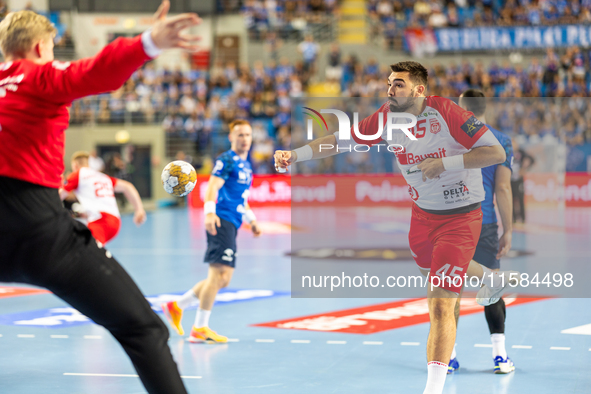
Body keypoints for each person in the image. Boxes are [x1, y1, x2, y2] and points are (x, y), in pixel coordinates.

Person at [274, 61, 519, 394]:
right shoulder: (386, 118)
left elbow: (493, 151)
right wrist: (296, 154)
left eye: (398, 84)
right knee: (431, 276)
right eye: (389, 83)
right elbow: (342, 140)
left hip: (461, 217)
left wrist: (445, 163)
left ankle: (433, 389)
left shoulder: (446, 112)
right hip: (421, 218)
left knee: (440, 302)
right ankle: (490, 279)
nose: (390, 90)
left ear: (419, 90)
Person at [0, 3, 200, 393]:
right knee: (143, 329)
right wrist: (147, 43)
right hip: (38, 234)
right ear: (41, 48)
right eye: (52, 48)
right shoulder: (37, 76)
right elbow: (95, 72)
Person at [162, 120, 262, 343]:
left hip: (233, 222)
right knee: (217, 277)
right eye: (240, 135)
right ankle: (199, 328)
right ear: (231, 137)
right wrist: (209, 213)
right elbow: (213, 186)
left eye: (247, 135)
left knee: (222, 279)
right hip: (221, 220)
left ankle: (177, 306)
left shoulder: (247, 165)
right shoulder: (226, 160)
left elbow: (241, 199)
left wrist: (252, 220)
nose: (244, 139)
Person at [453, 89, 515, 374]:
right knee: (491, 286)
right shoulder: (501, 141)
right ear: (484, 107)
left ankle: (448, 357)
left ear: (461, 108)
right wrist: (509, 230)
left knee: (448, 288)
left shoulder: (449, 137)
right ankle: (500, 356)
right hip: (485, 224)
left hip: (451, 223)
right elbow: (502, 188)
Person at [60, 151, 146, 245]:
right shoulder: (102, 176)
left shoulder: (77, 174)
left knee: (85, 251)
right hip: (115, 221)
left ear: (75, 165)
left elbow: (60, 195)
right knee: (87, 249)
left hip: (100, 220)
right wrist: (139, 209)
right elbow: (127, 186)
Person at [510, 138, 534, 223]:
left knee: (520, 199)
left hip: (519, 180)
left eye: (514, 144)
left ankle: (523, 219)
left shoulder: (521, 152)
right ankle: (514, 219)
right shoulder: (507, 152)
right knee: (511, 199)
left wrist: (525, 168)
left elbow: (531, 159)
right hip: (510, 180)